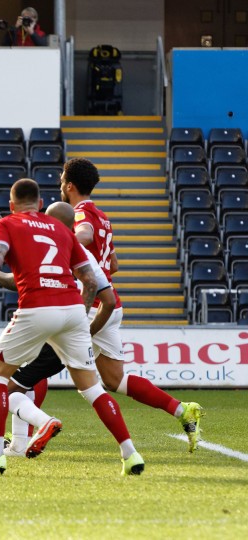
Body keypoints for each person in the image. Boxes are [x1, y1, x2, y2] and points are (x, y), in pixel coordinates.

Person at [0, 179, 143, 476]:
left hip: (37, 307)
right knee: (92, 388)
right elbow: (89, 280)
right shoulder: (62, 231)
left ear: (10, 204)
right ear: (40, 204)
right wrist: (80, 317)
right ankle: (130, 453)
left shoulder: (7, 223)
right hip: (73, 310)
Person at [60, 157, 203, 451]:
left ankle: (18, 440)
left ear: (70, 185)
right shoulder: (103, 217)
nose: (60, 183)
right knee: (115, 380)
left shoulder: (80, 214)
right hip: (109, 302)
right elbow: (113, 264)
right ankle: (182, 410)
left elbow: (84, 235)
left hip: (90, 306)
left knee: (36, 361)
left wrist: (60, 243)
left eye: (62, 178)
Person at [0, 201, 117, 456]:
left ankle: (43, 423)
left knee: (3, 387)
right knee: (29, 382)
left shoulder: (58, 244)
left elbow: (20, 282)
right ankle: (17, 445)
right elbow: (108, 287)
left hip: (49, 323)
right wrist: (82, 327)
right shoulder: (82, 252)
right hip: (70, 325)